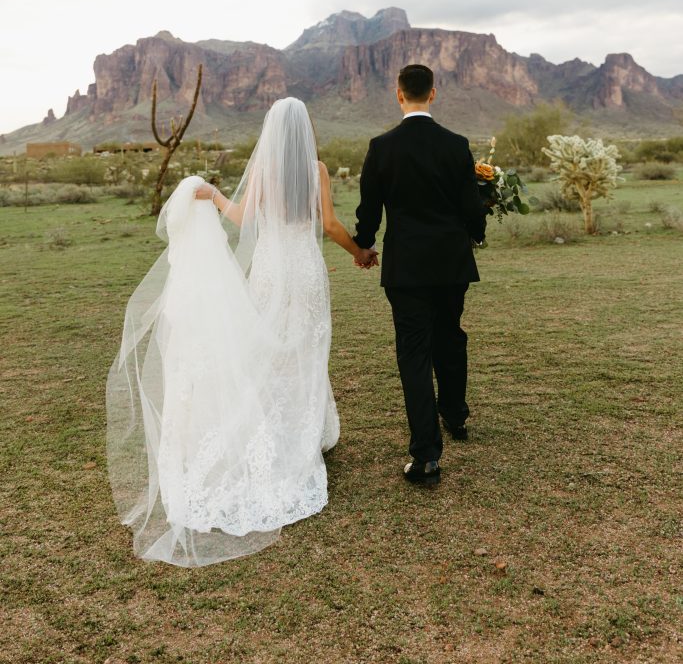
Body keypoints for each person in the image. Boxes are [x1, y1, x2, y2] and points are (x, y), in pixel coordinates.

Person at [106, 97, 372, 567]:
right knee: (309, 349)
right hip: (306, 269)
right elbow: (328, 224)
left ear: (272, 132)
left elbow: (243, 218)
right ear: (305, 130)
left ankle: (281, 428)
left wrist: (213, 195)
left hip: (270, 270)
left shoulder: (266, 170)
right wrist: (358, 251)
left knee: (268, 352)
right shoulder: (318, 169)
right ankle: (306, 434)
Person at [353, 64, 487, 485]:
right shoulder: (456, 144)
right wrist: (477, 232)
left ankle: (426, 456)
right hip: (450, 263)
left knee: (414, 353)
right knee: (450, 334)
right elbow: (470, 205)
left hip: (406, 267)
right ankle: (456, 415)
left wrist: (364, 243)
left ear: (398, 95)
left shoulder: (382, 146)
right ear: (433, 93)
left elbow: (369, 206)